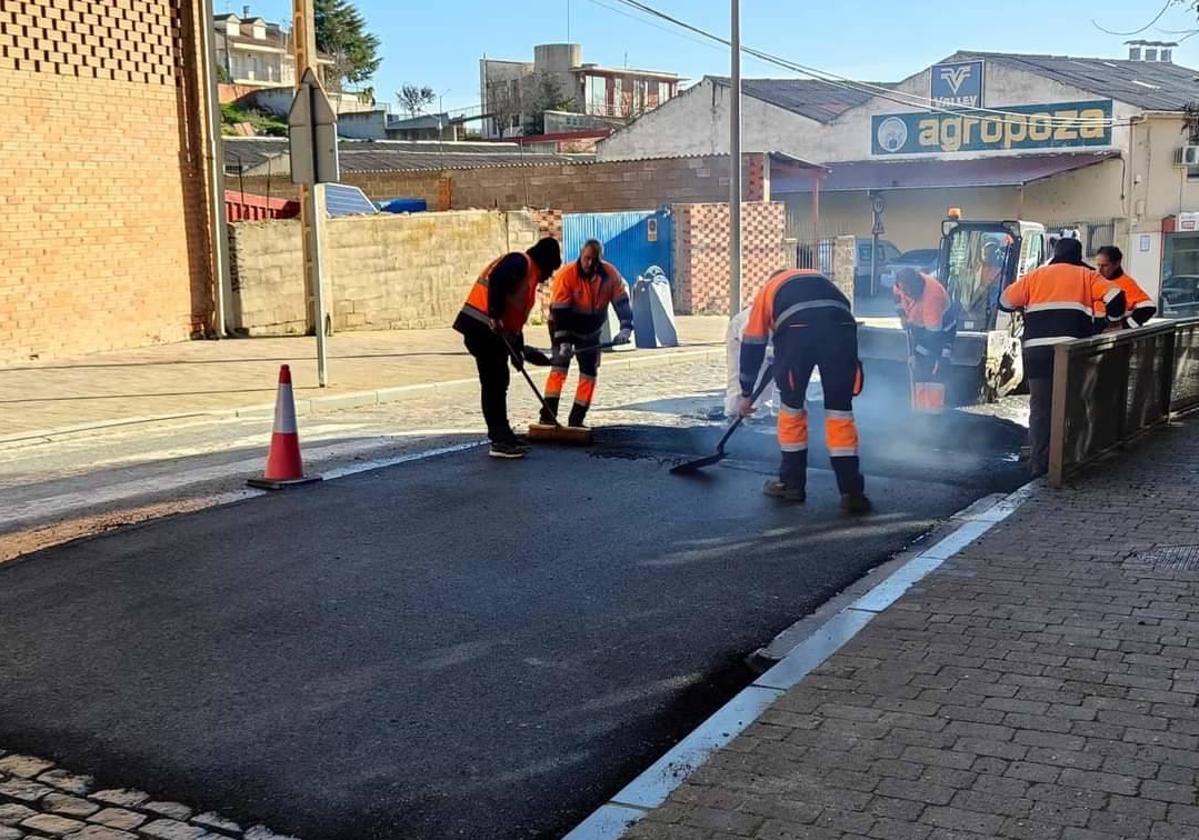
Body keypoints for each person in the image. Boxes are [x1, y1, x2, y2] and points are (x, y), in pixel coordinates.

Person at [738, 268, 870, 513]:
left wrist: (746, 393)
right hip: (842, 328)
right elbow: (842, 307)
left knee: (792, 408)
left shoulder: (768, 290)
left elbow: (753, 343)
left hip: (798, 331)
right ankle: (852, 491)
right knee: (840, 412)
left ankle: (791, 484)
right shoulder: (819, 279)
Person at [999, 237, 1124, 477]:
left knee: (1040, 407)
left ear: (1055, 255)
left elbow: (1004, 302)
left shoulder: (1035, 276)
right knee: (1073, 403)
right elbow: (1116, 297)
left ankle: (1039, 463)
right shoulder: (1087, 276)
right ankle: (1070, 459)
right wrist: (1109, 321)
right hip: (1072, 352)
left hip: (1037, 351)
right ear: (1078, 257)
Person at [453, 237, 562, 459]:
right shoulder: (519, 262)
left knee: (499, 381)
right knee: (494, 381)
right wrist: (493, 313)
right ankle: (499, 439)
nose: (549, 276)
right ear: (545, 262)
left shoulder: (528, 275)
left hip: (492, 330)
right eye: (550, 270)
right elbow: (498, 280)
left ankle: (503, 434)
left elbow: (515, 318)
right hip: (482, 326)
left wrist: (518, 351)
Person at [540, 239, 634, 428]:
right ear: (581, 255)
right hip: (562, 326)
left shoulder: (610, 275)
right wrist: (564, 342)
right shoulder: (567, 275)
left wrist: (625, 327)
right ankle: (548, 416)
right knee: (559, 368)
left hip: (590, 331)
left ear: (600, 260)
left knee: (588, 374)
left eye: (594, 260)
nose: (589, 263)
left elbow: (621, 302)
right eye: (586, 258)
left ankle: (577, 418)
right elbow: (560, 312)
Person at [894, 268, 957, 414]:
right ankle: (918, 409)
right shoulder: (901, 283)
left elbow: (933, 337)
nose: (903, 293)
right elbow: (897, 298)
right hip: (919, 326)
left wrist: (916, 355)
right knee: (918, 369)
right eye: (902, 289)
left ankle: (934, 413)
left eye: (907, 291)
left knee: (935, 366)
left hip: (942, 331)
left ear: (916, 289)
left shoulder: (932, 297)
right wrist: (902, 315)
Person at [1096, 245, 1156, 329]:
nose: (1099, 270)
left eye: (1105, 266)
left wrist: (1125, 326)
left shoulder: (1126, 283)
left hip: (1116, 337)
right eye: (1098, 265)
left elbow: (1148, 308)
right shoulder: (1095, 280)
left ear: (1116, 264)